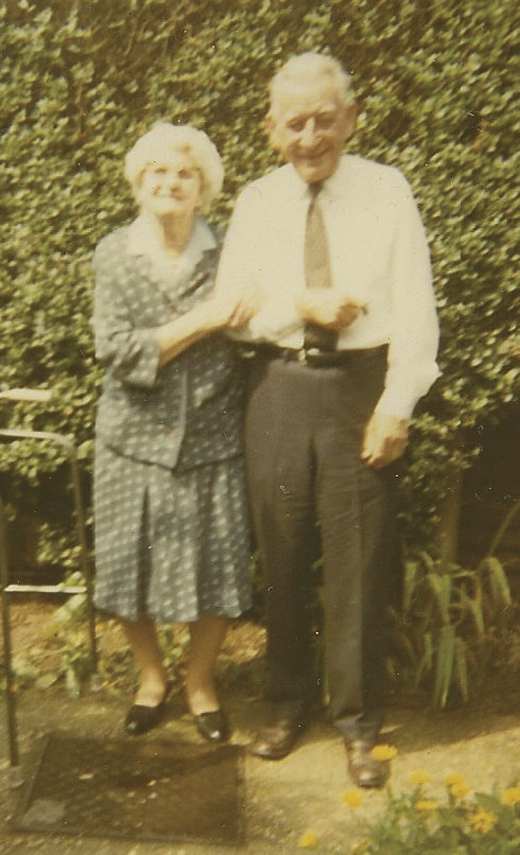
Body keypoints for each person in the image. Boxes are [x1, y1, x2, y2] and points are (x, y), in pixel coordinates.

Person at [216, 53, 439, 786]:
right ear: (271, 129)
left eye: (323, 119)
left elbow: (416, 307)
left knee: (359, 562)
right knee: (280, 557)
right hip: (277, 388)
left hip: (358, 391)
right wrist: (299, 306)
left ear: (351, 119)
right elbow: (236, 315)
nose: (310, 136)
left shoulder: (386, 190)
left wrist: (396, 405)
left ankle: (357, 722)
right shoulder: (254, 201)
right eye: (294, 123)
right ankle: (284, 704)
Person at [92, 122, 255, 742]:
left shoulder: (229, 253)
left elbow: (257, 317)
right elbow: (117, 348)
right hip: (131, 439)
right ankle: (152, 681)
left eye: (184, 173)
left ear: (203, 187)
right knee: (128, 565)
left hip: (212, 436)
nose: (170, 182)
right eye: (157, 172)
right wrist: (205, 319)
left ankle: (200, 683)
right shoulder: (113, 253)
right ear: (138, 182)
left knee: (215, 566)